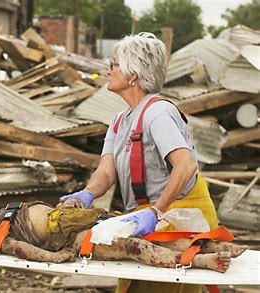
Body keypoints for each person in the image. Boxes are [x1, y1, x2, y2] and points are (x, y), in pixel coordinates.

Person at [59, 32, 220, 292]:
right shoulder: (119, 120)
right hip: (146, 218)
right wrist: (87, 194)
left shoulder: (158, 113)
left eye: (114, 64)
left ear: (133, 73)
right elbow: (106, 171)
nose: (108, 69)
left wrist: (156, 211)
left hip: (181, 218)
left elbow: (186, 165)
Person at [0, 195, 246, 273]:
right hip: (71, 240)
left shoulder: (8, 210)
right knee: (134, 246)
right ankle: (198, 262)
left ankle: (210, 246)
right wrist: (53, 258)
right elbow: (16, 248)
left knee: (155, 234)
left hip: (81, 220)